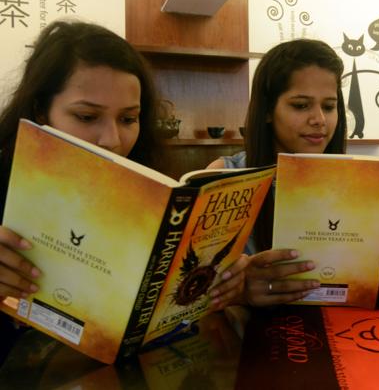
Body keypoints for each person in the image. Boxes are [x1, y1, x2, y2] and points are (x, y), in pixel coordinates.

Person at [0, 20, 247, 361]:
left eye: (128, 119)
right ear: (41, 109)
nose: (113, 140)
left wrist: (219, 288)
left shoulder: (150, 195)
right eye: (87, 117)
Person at [207, 38, 379, 305]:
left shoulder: (361, 180)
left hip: (343, 329)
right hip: (252, 337)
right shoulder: (225, 176)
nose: (319, 120)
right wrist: (239, 293)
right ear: (268, 110)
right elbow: (193, 301)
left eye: (328, 106)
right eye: (301, 105)